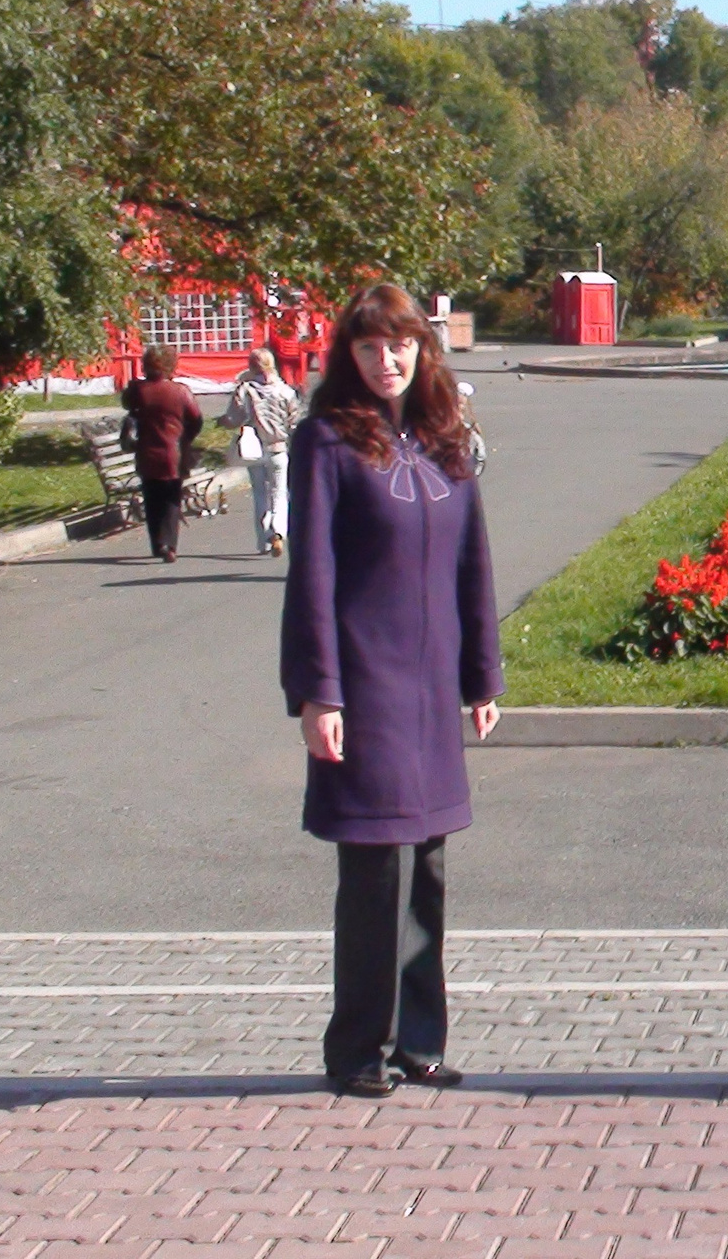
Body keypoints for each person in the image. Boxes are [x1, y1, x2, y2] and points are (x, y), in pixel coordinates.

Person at [282, 283, 503, 1099]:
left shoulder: (448, 442)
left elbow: (472, 565)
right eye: (371, 347)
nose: (388, 360)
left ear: (423, 350)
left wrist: (482, 673)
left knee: (430, 869)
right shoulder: (326, 444)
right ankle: (357, 1049)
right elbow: (312, 574)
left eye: (400, 344)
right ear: (351, 355)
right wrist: (318, 693)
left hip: (432, 685)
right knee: (373, 872)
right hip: (364, 684)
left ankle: (420, 1040)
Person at [122, 345, 204, 563]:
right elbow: (196, 419)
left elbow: (128, 406)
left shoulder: (138, 390)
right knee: (171, 499)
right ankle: (170, 545)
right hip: (174, 453)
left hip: (147, 451)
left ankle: (157, 543)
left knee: (151, 498)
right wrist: (185, 438)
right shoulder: (180, 391)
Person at [224, 348, 303, 557]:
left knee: (259, 493)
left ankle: (264, 540)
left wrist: (225, 422)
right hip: (278, 447)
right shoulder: (286, 391)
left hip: (253, 449)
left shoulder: (245, 389)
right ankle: (278, 530)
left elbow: (234, 417)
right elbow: (294, 422)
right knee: (279, 492)